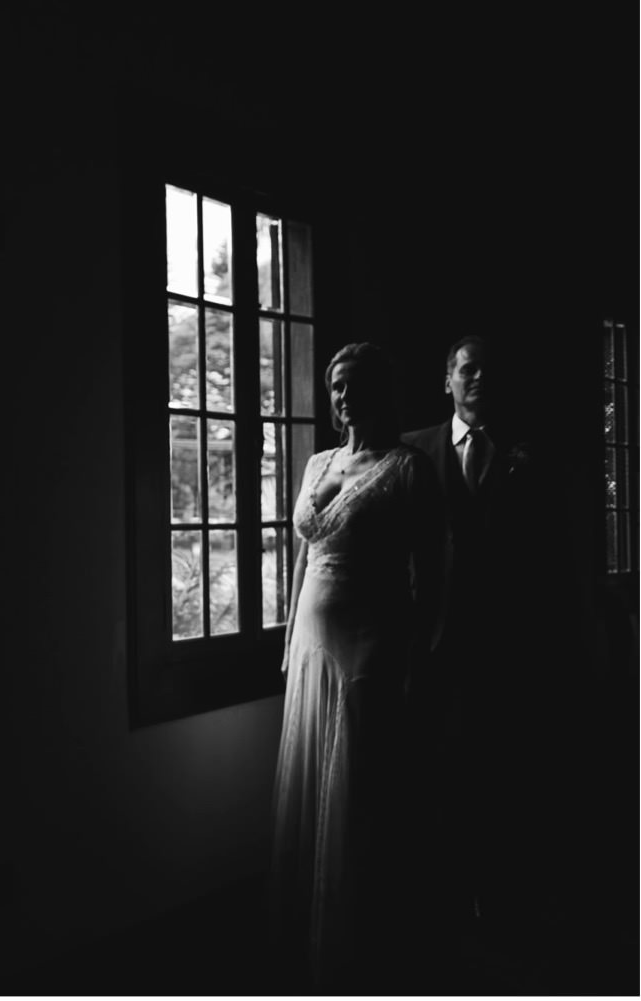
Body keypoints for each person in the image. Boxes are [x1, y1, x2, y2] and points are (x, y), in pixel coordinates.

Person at [269, 342, 444, 992]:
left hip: (372, 643)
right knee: (312, 778)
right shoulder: (318, 462)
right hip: (311, 648)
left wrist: (419, 654)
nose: (342, 397)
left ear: (378, 389)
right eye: (334, 387)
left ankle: (360, 933)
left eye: (353, 384)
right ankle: (305, 920)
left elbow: (431, 571)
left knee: (360, 787)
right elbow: (302, 558)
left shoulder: (408, 468)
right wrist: (290, 638)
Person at [400, 335, 530, 948]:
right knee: (433, 766)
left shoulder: (523, 451)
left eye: (486, 371)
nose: (478, 378)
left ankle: (492, 892)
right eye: (467, 369)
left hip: (501, 638)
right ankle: (437, 893)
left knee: (494, 766)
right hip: (430, 636)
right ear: (447, 380)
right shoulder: (413, 449)